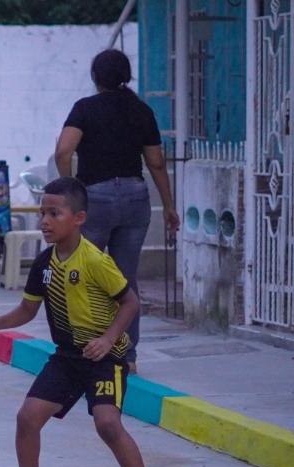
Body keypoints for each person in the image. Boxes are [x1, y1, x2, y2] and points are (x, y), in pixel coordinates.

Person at [0, 177, 165, 467]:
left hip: (105, 358)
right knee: (27, 418)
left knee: (108, 424)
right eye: (42, 213)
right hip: (67, 357)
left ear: (78, 218)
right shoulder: (45, 263)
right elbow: (27, 311)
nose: (45, 221)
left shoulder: (96, 260)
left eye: (54, 213)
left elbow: (130, 303)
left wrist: (110, 340)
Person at [55, 49, 180, 368]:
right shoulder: (141, 110)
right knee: (125, 279)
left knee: (84, 273)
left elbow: (63, 151)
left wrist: (70, 193)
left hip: (95, 199)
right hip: (136, 196)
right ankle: (127, 355)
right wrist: (168, 205)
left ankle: (84, 349)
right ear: (126, 76)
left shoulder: (85, 109)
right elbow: (155, 162)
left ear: (96, 77)